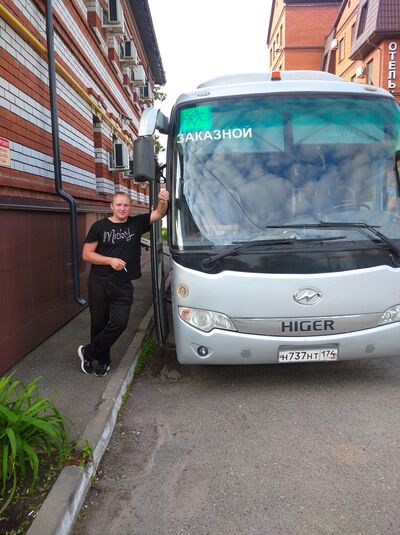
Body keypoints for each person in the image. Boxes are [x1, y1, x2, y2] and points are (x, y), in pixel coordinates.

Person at [78, 189, 169, 377]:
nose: (122, 208)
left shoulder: (136, 223)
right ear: (111, 206)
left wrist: (162, 201)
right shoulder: (99, 226)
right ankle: (103, 360)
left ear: (130, 207)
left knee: (119, 323)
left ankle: (88, 352)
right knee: (99, 323)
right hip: (99, 282)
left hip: (123, 284)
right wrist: (110, 261)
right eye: (118, 204)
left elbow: (159, 213)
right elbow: (87, 254)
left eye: (126, 205)